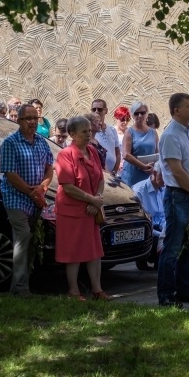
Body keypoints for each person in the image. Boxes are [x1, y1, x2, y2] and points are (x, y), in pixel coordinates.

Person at [157, 93, 189, 308]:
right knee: (173, 246)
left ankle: (184, 290)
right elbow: (177, 171)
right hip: (179, 196)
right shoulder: (170, 135)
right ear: (176, 110)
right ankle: (167, 295)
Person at [0, 103, 54, 296]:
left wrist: (43, 186)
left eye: (35, 118)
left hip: (36, 198)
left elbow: (49, 167)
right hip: (16, 198)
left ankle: (24, 285)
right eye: (27, 119)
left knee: (31, 242)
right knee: (22, 237)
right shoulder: (10, 143)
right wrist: (31, 191)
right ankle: (20, 288)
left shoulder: (41, 142)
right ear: (19, 121)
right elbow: (10, 174)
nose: (32, 122)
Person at [54, 116, 111, 301]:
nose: (89, 134)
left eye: (89, 130)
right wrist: (92, 200)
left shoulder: (92, 151)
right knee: (73, 253)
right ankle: (73, 291)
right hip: (71, 212)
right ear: (72, 134)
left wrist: (97, 199)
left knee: (95, 251)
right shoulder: (65, 155)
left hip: (91, 210)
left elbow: (101, 179)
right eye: (84, 131)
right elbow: (68, 186)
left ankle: (97, 290)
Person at [132, 164, 166, 270]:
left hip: (158, 228)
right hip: (146, 230)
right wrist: (161, 234)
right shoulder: (139, 191)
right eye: (164, 175)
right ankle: (144, 259)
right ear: (155, 173)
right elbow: (140, 222)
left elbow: (163, 216)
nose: (167, 179)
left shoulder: (164, 189)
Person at [121, 101, 159, 187]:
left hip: (149, 175)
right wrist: (143, 166)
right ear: (132, 115)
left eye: (142, 113)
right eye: (136, 113)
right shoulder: (129, 132)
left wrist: (153, 167)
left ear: (146, 114)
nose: (140, 116)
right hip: (132, 176)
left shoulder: (153, 133)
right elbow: (126, 155)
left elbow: (157, 154)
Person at [91, 99, 121, 173]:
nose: (96, 111)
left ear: (106, 111)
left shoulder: (112, 130)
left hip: (113, 173)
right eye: (94, 109)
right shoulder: (90, 131)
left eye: (100, 109)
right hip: (99, 173)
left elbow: (117, 153)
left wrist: (115, 171)